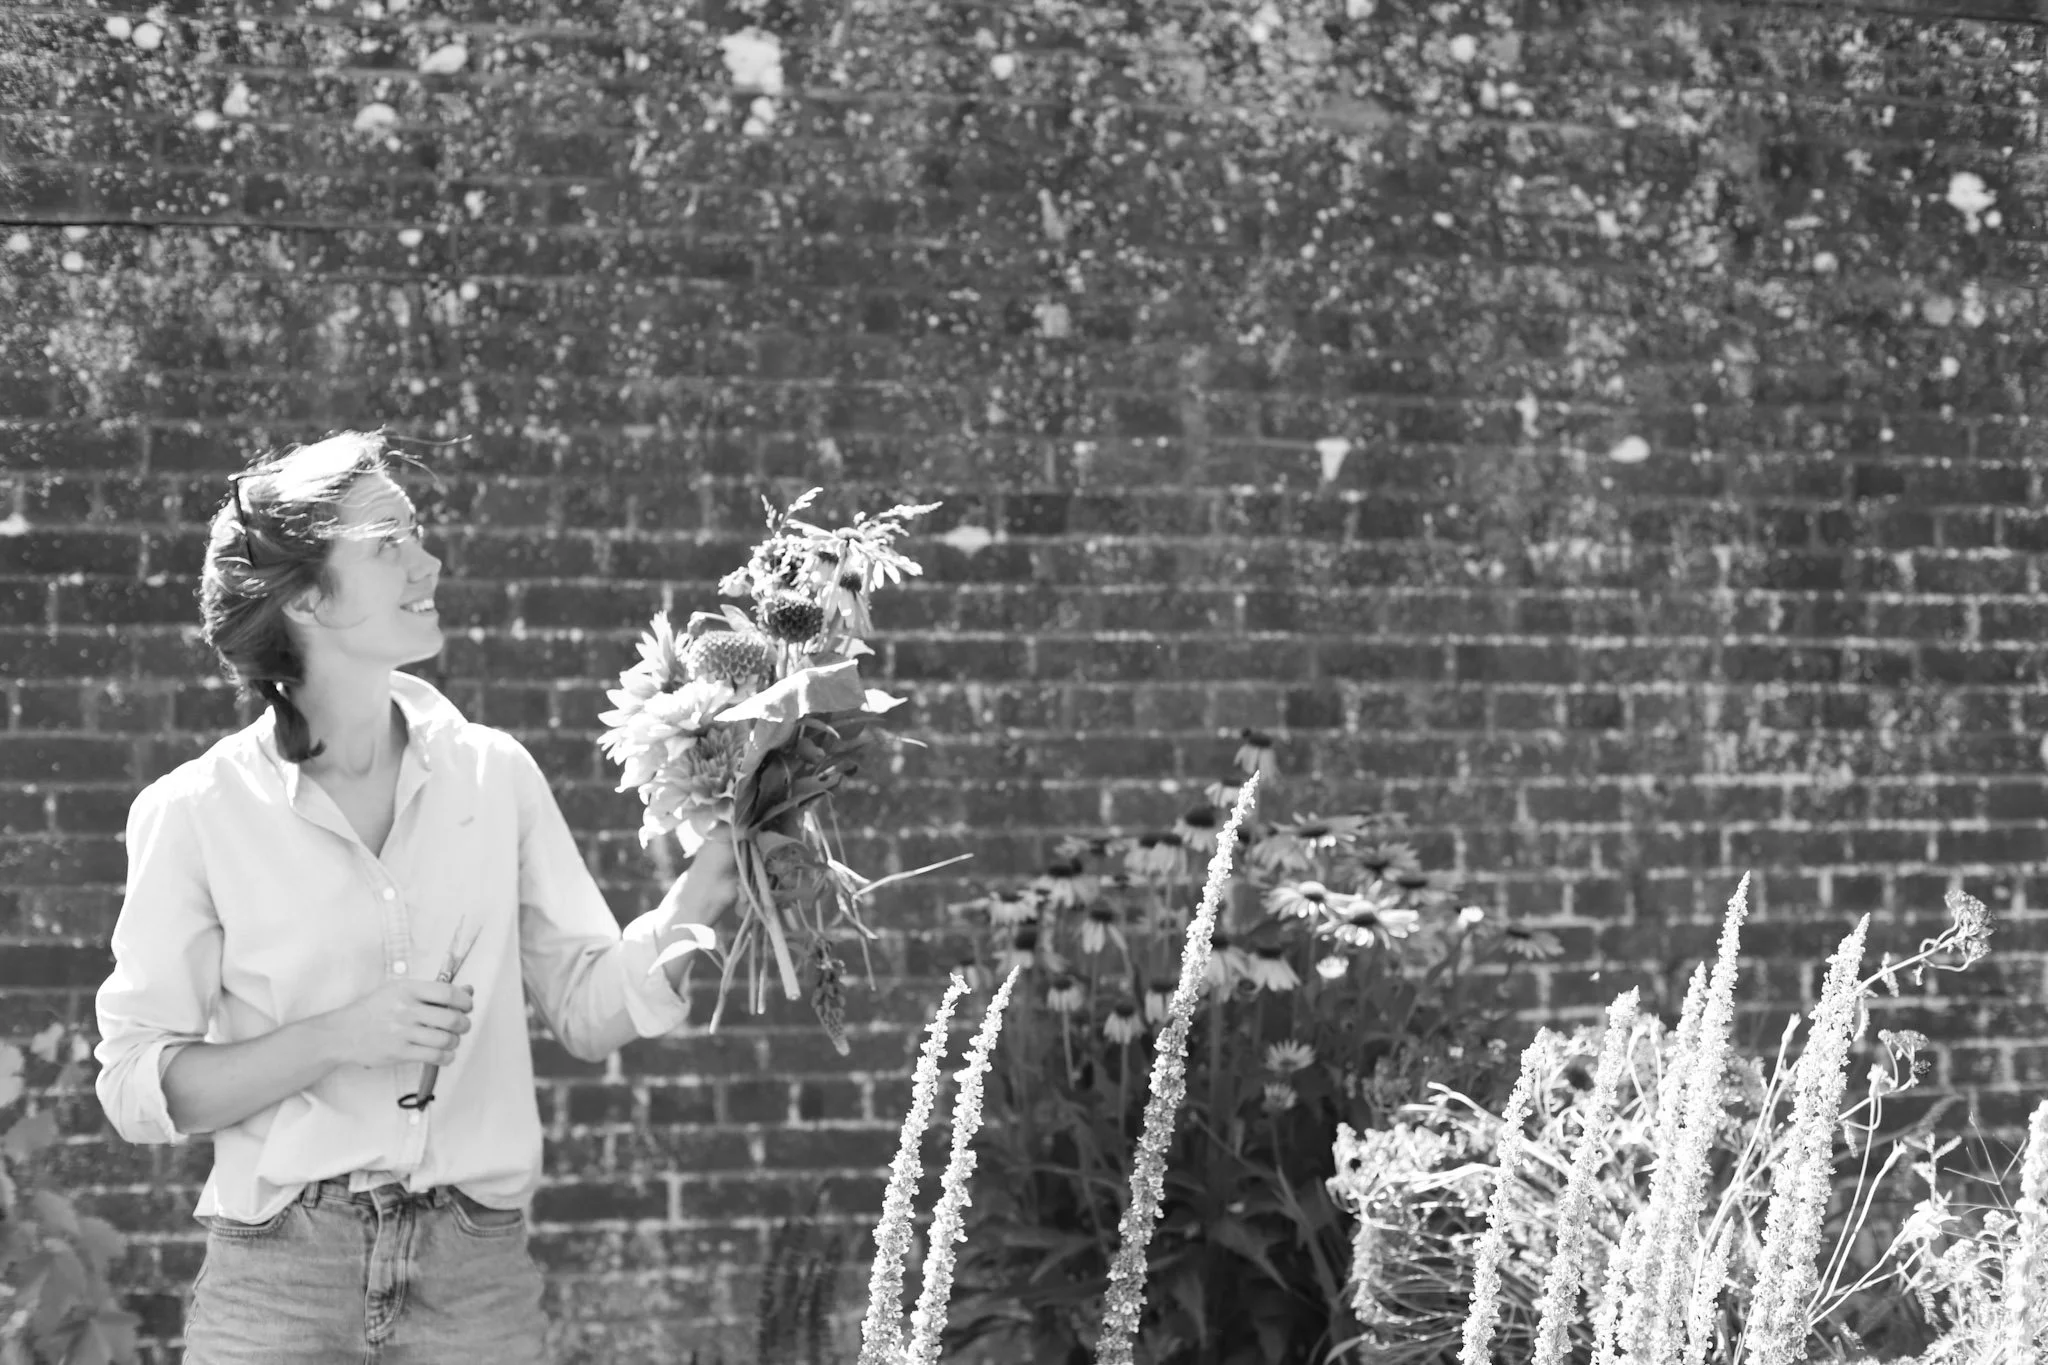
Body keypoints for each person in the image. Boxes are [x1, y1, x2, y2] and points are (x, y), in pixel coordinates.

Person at [93, 431, 738, 1364]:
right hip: (279, 1285)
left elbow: (589, 1007)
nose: (427, 562)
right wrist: (336, 1036)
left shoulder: (494, 776)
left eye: (417, 533)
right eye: (389, 542)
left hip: (474, 1283)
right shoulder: (195, 812)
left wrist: (711, 878)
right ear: (306, 597)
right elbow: (136, 1086)